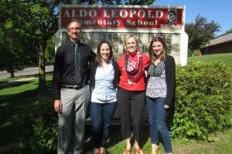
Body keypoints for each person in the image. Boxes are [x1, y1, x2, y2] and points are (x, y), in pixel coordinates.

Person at [53, 20, 95, 154]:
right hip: (66, 92)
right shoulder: (61, 49)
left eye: (77, 28)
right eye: (72, 29)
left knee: (80, 126)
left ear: (80, 30)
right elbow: (56, 74)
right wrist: (56, 97)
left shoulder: (86, 48)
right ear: (68, 31)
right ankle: (63, 151)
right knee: (64, 126)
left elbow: (97, 62)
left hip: (83, 91)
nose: (75, 31)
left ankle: (78, 151)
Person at [117, 34, 150, 154]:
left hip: (139, 93)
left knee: (137, 120)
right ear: (125, 46)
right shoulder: (120, 60)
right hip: (123, 92)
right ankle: (127, 144)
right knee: (125, 119)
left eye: (133, 43)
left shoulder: (145, 59)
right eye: (128, 43)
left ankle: (137, 144)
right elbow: (117, 76)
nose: (131, 45)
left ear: (137, 44)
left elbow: (150, 74)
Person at [145, 36, 176, 154]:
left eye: (158, 45)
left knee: (160, 124)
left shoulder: (169, 60)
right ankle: (154, 145)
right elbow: (149, 77)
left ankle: (169, 151)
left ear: (163, 46)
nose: (156, 48)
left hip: (161, 97)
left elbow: (171, 81)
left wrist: (168, 101)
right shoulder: (151, 60)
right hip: (149, 95)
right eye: (154, 46)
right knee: (151, 121)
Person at [89, 40, 119, 154]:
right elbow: (89, 79)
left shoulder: (114, 65)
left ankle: (103, 146)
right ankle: (96, 146)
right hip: (96, 99)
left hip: (111, 100)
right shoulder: (94, 64)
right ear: (99, 51)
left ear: (110, 51)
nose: (105, 52)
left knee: (106, 125)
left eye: (107, 49)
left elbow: (117, 79)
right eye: (103, 49)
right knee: (96, 125)